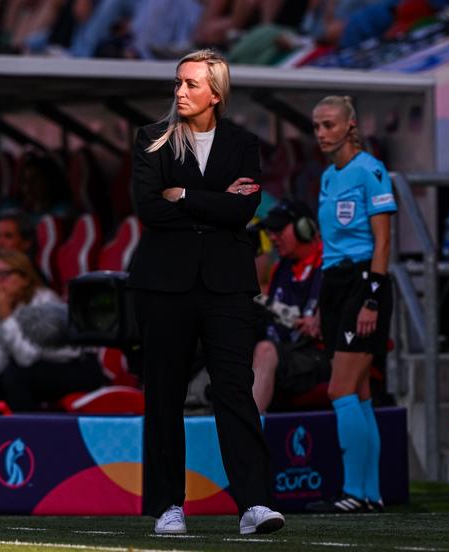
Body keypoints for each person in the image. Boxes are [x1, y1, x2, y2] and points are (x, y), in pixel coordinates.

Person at [128, 49, 284, 535]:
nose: (180, 92)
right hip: (165, 285)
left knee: (235, 392)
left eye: (191, 84)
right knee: (164, 394)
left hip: (227, 286)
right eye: (178, 82)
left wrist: (187, 196)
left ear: (216, 93)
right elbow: (149, 208)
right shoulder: (152, 139)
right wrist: (214, 203)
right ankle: (167, 506)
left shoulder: (242, 143)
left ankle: (254, 505)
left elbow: (244, 211)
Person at [308, 95, 396, 513]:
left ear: (350, 126)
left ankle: (353, 493)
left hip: (364, 282)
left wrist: (373, 300)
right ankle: (370, 493)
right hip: (335, 284)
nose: (322, 134)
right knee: (358, 392)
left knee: (340, 388)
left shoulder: (370, 170)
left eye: (328, 125)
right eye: (317, 126)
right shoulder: (328, 177)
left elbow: (383, 241)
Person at [0, 249, 106, 411]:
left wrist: (6, 318)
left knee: (15, 376)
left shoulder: (45, 301)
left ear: (25, 279)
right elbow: (1, 351)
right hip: (42, 367)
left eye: (5, 274)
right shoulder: (0, 304)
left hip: (78, 368)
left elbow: (27, 357)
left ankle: (28, 432)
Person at [251, 199, 330, 413]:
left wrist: (319, 322)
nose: (272, 238)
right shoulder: (281, 268)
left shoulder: (330, 263)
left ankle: (247, 433)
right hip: (287, 352)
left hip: (316, 355)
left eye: (278, 230)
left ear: (304, 228)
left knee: (265, 351)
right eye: (270, 232)